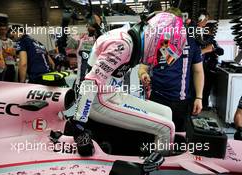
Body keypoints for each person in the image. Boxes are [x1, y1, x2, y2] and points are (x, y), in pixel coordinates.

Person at [65, 11, 187, 157]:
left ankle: (154, 151)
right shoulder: (122, 45)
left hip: (111, 94)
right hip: (99, 102)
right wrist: (79, 125)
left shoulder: (128, 36)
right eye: (162, 47)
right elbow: (91, 83)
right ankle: (160, 167)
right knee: (166, 127)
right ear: (154, 35)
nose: (161, 53)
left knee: (167, 112)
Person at [139, 8, 204, 132]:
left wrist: (199, 97)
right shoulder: (156, 41)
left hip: (181, 102)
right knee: (155, 135)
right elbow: (143, 67)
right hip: (157, 99)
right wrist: (143, 74)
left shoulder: (191, 41)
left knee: (179, 139)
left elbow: (198, 71)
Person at [202, 22, 224, 110]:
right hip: (202, 68)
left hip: (210, 69)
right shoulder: (201, 40)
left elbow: (221, 51)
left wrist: (214, 50)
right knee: (203, 89)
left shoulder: (213, 42)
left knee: (207, 89)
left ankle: (204, 105)